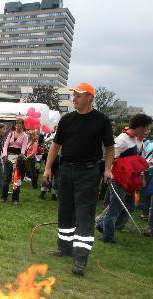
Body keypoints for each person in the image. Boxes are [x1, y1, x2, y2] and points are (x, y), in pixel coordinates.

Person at [43, 82, 114, 276]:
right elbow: (56, 146)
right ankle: (64, 248)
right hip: (66, 169)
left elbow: (109, 148)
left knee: (85, 214)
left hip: (89, 172)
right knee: (65, 210)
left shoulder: (102, 120)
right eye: (73, 95)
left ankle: (80, 258)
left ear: (90, 97)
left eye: (78, 95)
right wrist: (48, 167)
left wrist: (108, 169)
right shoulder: (67, 120)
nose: (74, 98)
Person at [98, 113, 152, 243]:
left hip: (128, 178)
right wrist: (128, 163)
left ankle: (102, 225)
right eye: (146, 128)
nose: (147, 131)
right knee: (115, 208)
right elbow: (110, 157)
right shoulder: (122, 139)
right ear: (140, 127)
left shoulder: (133, 139)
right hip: (118, 178)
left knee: (129, 206)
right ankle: (107, 236)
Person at [0, 117, 28, 205]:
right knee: (6, 178)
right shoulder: (11, 134)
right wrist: (5, 155)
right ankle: (3, 197)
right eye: (17, 123)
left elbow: (23, 149)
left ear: (23, 125)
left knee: (17, 179)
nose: (18, 125)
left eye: (20, 123)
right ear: (15, 124)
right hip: (8, 158)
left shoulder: (25, 136)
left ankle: (15, 199)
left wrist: (19, 158)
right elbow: (5, 146)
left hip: (18, 159)